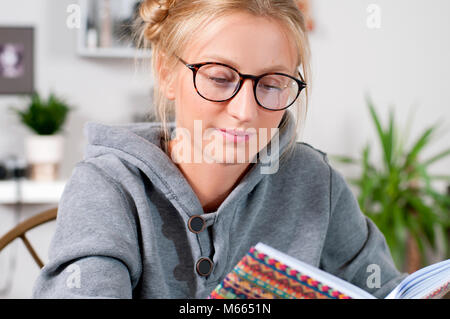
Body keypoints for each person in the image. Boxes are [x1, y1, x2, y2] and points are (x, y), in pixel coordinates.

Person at [32, 0, 407, 299]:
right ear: (165, 72)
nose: (245, 112)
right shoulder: (107, 188)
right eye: (219, 78)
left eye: (273, 84)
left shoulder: (314, 182)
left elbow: (385, 289)